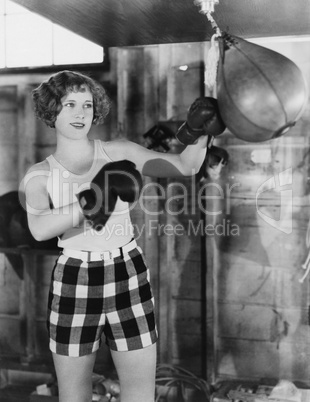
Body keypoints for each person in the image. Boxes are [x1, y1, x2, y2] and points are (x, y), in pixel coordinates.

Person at [21, 70, 225, 402]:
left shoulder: (118, 151)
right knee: (74, 394)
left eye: (87, 104)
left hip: (126, 269)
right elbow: (40, 227)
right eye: (69, 104)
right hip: (76, 275)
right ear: (51, 110)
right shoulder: (41, 174)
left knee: (140, 392)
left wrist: (199, 132)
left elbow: (185, 166)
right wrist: (95, 198)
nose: (80, 113)